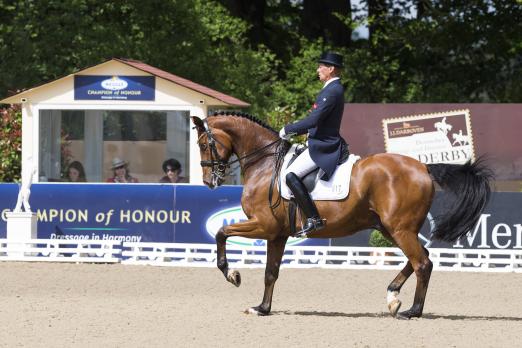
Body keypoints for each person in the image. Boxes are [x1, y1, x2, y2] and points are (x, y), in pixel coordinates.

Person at [279, 52, 346, 237]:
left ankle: (313, 218)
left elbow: (314, 119)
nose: (318, 70)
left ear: (330, 69)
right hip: (318, 141)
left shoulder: (332, 90)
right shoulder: (331, 89)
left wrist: (287, 129)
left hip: (323, 146)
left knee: (290, 175)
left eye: (321, 66)